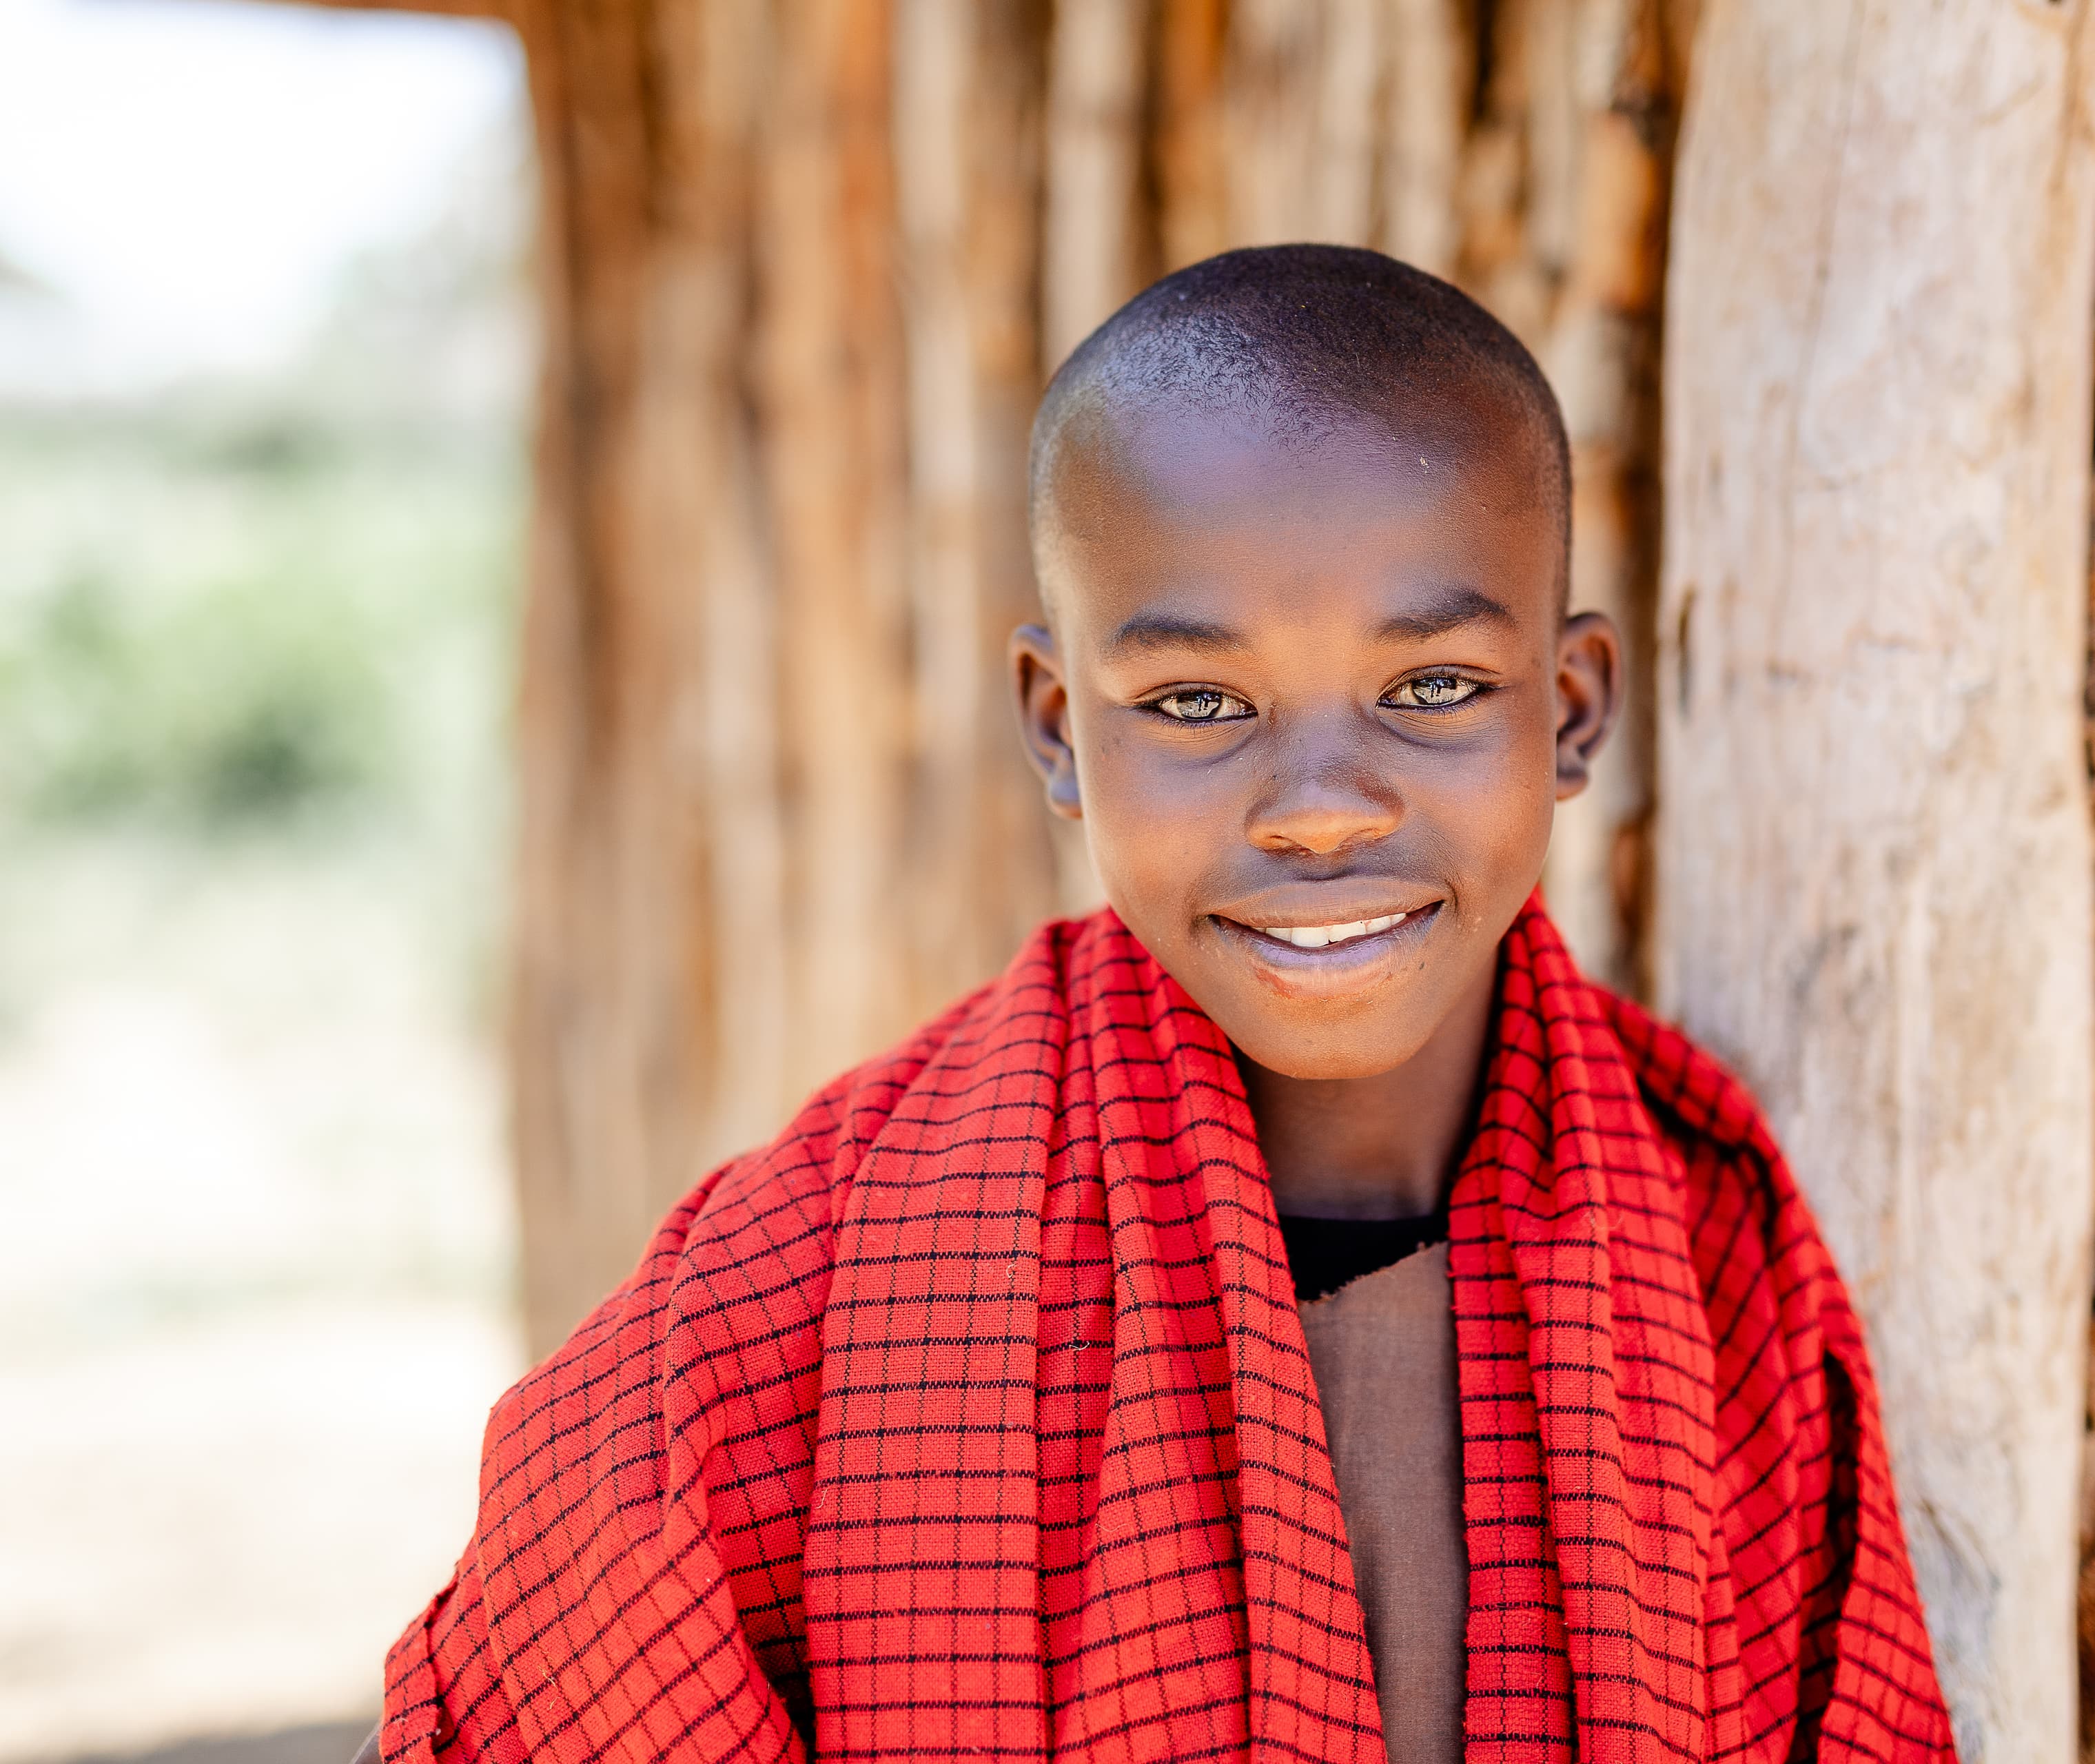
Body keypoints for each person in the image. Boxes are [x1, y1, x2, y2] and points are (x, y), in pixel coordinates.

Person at [367, 245, 1955, 1764]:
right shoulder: (815, 1281)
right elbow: (553, 1667)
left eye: (1435, 687)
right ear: (1061, 730)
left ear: (1574, 707)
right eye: (1198, 701)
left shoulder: (1712, 1242)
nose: (1322, 808)